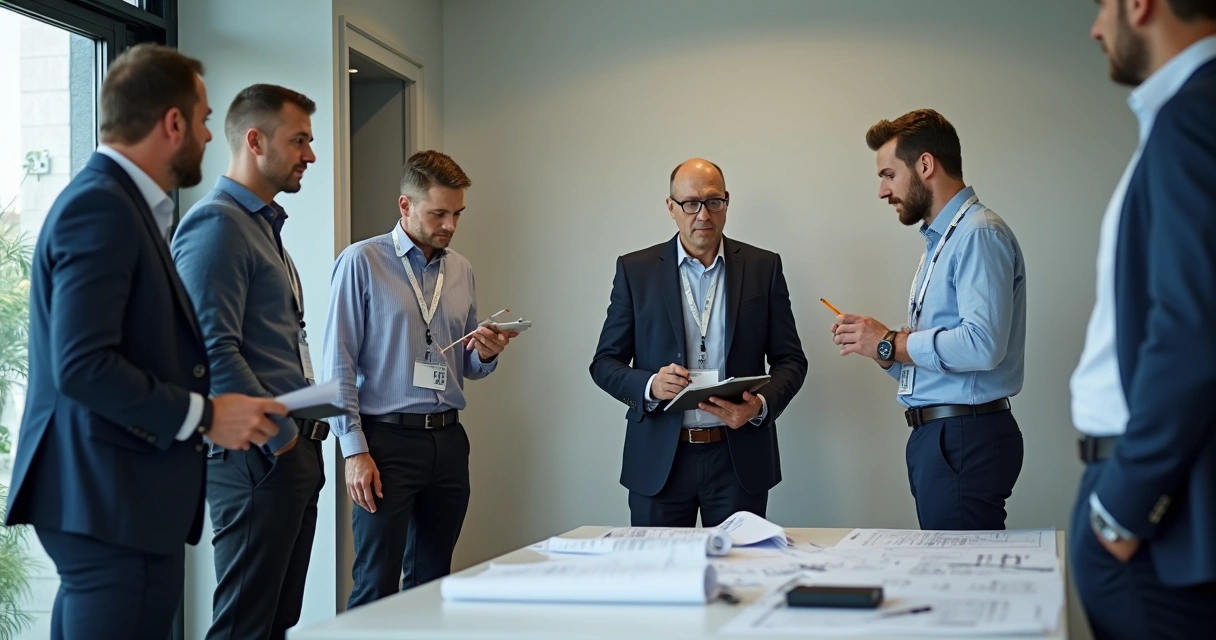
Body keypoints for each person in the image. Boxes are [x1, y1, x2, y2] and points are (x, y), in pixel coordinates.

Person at [2, 45, 284, 640]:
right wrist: (206, 415)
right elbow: (83, 365)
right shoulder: (100, 208)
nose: (211, 135)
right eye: (205, 119)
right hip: (109, 500)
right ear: (172, 123)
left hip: (119, 499)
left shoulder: (123, 205)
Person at [1070, 1, 1216, 637]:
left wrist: (1122, 512)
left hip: (1156, 509)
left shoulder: (1192, 116)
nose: (1098, 28)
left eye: (1102, 6)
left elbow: (1192, 333)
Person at [322, 150, 517, 607]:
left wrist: (486, 355)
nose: (449, 224)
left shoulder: (461, 269)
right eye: (439, 213)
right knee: (376, 585)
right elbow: (338, 367)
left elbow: (464, 364)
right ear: (405, 206)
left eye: (457, 214)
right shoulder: (361, 262)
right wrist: (354, 452)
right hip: (385, 444)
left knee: (433, 585)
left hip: (448, 442)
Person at [171, 84, 326, 640]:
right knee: (244, 626)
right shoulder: (218, 224)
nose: (310, 154)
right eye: (300, 140)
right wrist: (280, 438)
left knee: (277, 623)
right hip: (257, 456)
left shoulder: (263, 227)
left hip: (293, 452)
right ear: (255, 141)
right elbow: (208, 349)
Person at [831, 110, 1026, 531]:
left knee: (959, 580)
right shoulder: (942, 242)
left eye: (888, 174)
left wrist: (893, 341)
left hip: (962, 437)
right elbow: (940, 360)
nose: (883, 191)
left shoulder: (977, 234)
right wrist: (881, 349)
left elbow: (981, 344)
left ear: (925, 165)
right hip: (944, 438)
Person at [589, 158, 807, 527]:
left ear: (726, 202)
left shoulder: (763, 267)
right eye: (691, 203)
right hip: (660, 460)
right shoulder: (635, 270)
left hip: (738, 457)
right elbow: (604, 362)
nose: (703, 214)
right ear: (671, 207)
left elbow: (791, 360)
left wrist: (759, 407)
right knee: (659, 580)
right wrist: (650, 386)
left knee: (740, 575)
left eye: (713, 201)